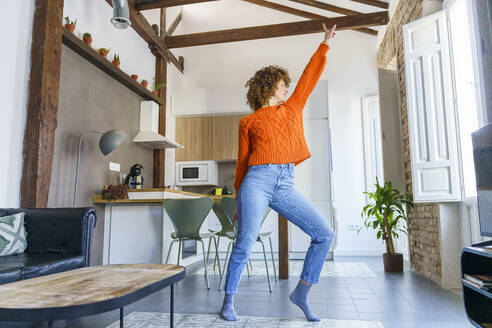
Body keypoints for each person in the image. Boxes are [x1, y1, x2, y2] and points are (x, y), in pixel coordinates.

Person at [219, 23, 337, 322]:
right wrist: (237, 201)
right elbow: (242, 163)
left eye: (287, 84)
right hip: (256, 182)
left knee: (324, 234)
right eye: (282, 83)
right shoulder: (248, 122)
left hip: (285, 183)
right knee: (244, 242)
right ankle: (228, 301)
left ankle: (301, 293)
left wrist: (324, 43)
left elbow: (310, 76)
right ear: (268, 86)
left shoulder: (293, 107)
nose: (287, 87)